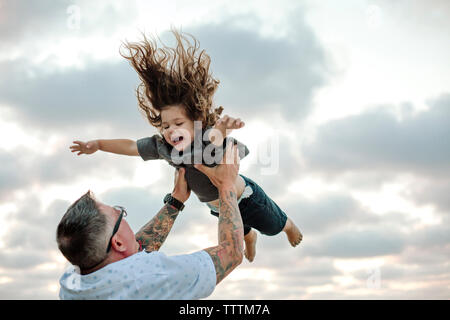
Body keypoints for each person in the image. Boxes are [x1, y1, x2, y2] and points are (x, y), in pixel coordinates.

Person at [70, 28, 302, 263]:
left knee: (273, 226)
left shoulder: (204, 136)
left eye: (178, 123)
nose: (170, 130)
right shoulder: (163, 148)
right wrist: (98, 144)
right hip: (219, 207)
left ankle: (289, 225)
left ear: (195, 122)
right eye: (165, 125)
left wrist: (223, 128)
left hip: (247, 198)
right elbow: (131, 147)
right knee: (239, 231)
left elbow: (215, 140)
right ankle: (249, 236)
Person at [57, 144, 244, 300]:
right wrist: (226, 184)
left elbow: (131, 252)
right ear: (117, 242)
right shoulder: (152, 277)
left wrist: (175, 202)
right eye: (120, 214)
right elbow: (232, 252)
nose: (123, 215)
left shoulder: (71, 283)